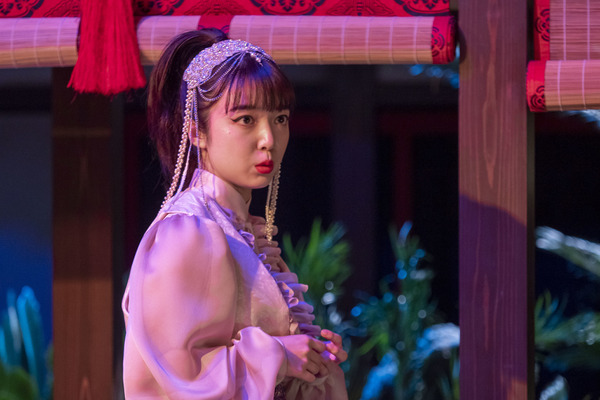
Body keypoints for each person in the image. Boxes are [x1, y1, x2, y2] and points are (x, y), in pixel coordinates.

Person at [121, 29, 348, 399]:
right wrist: (279, 356)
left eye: (280, 118)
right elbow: (182, 378)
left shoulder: (237, 229)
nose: (269, 139)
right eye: (245, 119)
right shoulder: (191, 231)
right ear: (197, 131)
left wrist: (313, 361)